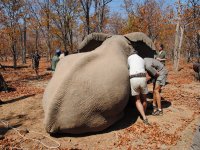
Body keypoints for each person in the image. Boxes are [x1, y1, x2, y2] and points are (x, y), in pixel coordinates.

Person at [128, 53, 150, 125]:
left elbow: (128, 68)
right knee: (144, 99)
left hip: (133, 78)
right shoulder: (141, 59)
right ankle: (143, 113)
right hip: (142, 78)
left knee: (137, 99)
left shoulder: (129, 58)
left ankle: (143, 116)